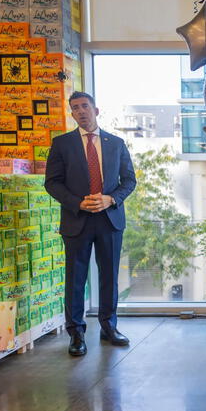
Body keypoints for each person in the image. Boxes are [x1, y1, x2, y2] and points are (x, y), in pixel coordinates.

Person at [45, 91, 136, 356]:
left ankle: (109, 327)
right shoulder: (61, 144)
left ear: (96, 110)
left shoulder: (116, 143)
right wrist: (77, 202)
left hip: (109, 220)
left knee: (109, 276)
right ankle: (76, 333)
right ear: (72, 114)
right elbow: (52, 182)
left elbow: (129, 181)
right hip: (77, 220)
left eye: (85, 106)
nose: (81, 111)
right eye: (75, 108)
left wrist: (111, 199)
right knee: (76, 278)